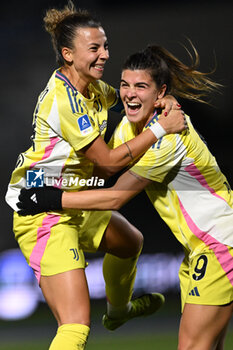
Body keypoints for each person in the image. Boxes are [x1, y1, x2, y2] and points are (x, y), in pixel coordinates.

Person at [18, 43, 233, 350]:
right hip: (201, 248)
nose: (130, 94)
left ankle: (119, 310)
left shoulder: (169, 139)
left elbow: (115, 197)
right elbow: (104, 171)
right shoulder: (134, 130)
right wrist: (50, 174)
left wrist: (52, 199)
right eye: (125, 85)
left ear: (160, 93)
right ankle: (120, 311)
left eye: (141, 87)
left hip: (221, 244)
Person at [5, 2, 187, 350]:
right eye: (95, 48)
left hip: (71, 200)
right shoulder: (65, 101)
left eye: (105, 46)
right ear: (68, 54)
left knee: (129, 242)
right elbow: (106, 164)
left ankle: (119, 311)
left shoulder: (91, 90)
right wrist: (161, 129)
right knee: (74, 325)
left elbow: (125, 103)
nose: (104, 54)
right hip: (43, 213)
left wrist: (158, 102)